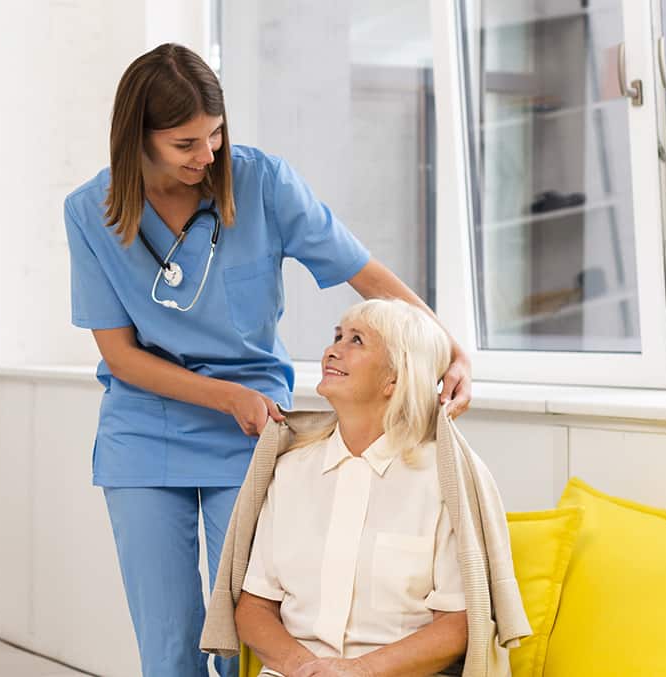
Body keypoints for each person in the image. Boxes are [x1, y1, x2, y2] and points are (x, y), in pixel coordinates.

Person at [64, 43, 473, 677]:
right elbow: (121, 356)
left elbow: (364, 274)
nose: (208, 156)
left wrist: (445, 346)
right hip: (147, 430)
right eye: (185, 144)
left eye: (216, 135)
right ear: (136, 139)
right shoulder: (89, 211)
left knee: (243, 632)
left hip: (251, 434)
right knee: (168, 645)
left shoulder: (263, 182)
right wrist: (223, 395)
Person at [234, 299, 470, 677]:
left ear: (395, 378)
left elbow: (456, 625)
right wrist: (306, 668)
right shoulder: (291, 470)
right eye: (337, 336)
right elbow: (253, 607)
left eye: (356, 340)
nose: (333, 350)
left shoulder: (440, 479)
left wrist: (359, 670)